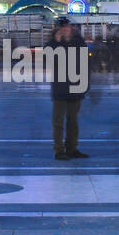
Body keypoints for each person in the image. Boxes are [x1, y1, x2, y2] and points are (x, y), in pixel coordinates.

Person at [44, 16, 89, 161]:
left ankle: (72, 148)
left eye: (67, 27)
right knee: (58, 122)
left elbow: (84, 63)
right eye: (62, 27)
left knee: (73, 121)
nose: (65, 30)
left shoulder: (78, 42)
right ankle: (59, 150)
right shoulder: (53, 44)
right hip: (60, 88)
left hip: (75, 86)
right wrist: (56, 42)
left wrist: (85, 84)